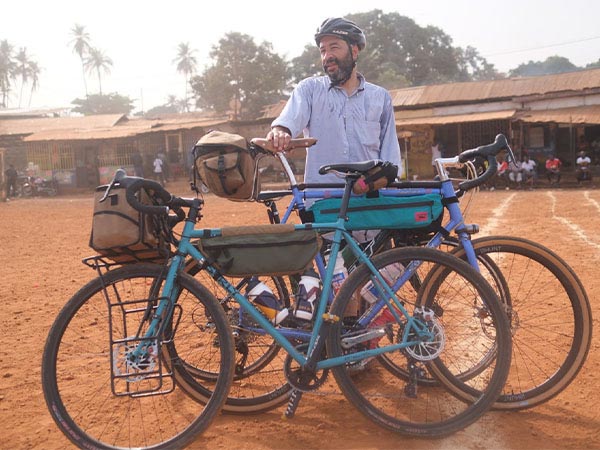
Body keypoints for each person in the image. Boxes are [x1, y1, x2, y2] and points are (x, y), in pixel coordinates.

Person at [266, 17, 401, 187]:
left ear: (354, 51)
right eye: (323, 51)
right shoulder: (309, 90)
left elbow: (390, 157)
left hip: (369, 201)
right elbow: (288, 121)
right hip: (323, 200)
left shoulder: (380, 98)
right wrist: (280, 131)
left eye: (334, 47)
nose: (327, 56)